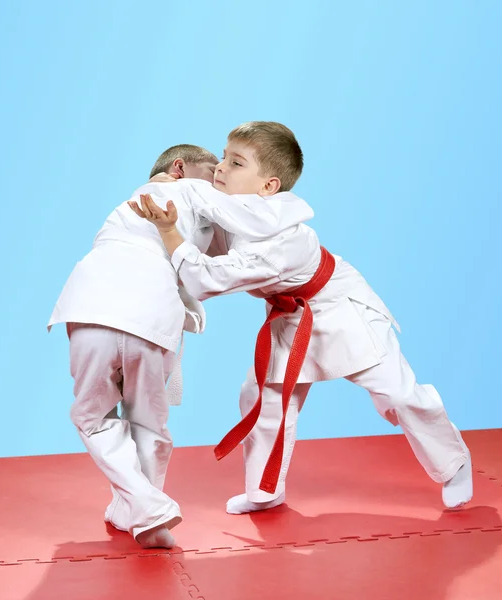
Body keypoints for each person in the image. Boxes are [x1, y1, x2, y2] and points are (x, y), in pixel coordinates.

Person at [130, 121, 473, 519]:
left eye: (236, 163)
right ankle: (264, 489)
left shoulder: (281, 237)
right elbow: (211, 236)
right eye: (223, 157)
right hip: (288, 315)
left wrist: (170, 230)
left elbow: (206, 278)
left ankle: (453, 461)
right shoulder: (238, 210)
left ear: (269, 186)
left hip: (339, 308)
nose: (221, 168)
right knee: (263, 399)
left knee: (397, 393)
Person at [48, 142, 314, 548]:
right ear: (179, 168)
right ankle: (143, 514)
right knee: (148, 422)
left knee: (92, 416)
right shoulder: (191, 191)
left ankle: (144, 507)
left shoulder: (143, 207)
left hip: (96, 307)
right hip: (152, 316)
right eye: (215, 168)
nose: (222, 176)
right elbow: (250, 235)